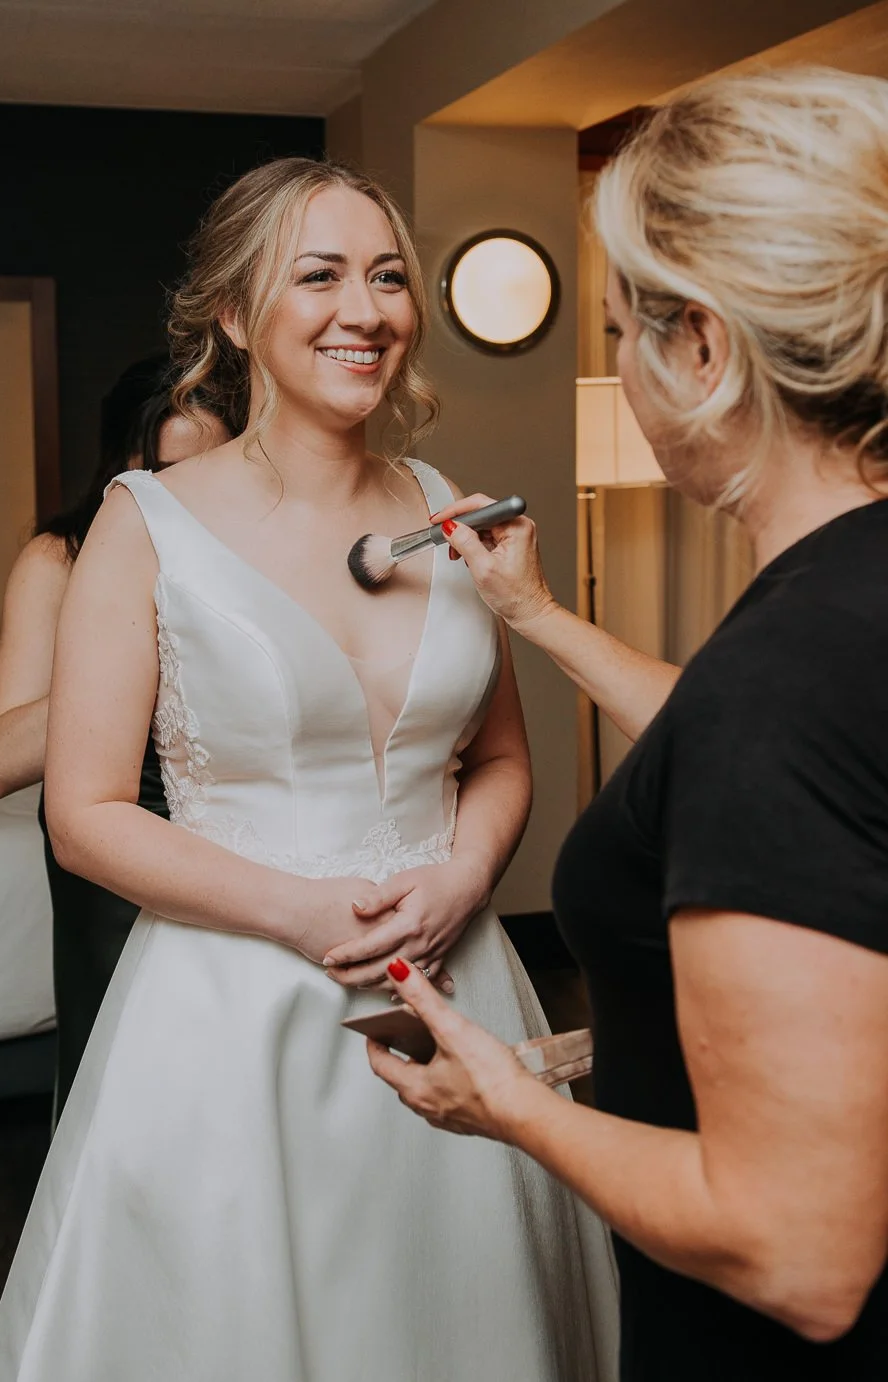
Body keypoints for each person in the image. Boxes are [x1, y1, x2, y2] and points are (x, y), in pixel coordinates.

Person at [0, 158, 619, 1382]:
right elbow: (86, 811)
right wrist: (306, 910)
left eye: (386, 277)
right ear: (234, 314)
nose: (361, 310)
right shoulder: (143, 522)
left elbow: (498, 760)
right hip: (238, 1007)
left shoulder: (442, 506)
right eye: (316, 275)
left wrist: (465, 873)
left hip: (455, 979)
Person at [367, 67, 888, 1380]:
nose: (617, 363)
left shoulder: (789, 673)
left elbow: (799, 1251)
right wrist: (535, 613)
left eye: (616, 327)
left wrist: (507, 1106)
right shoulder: (836, 623)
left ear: (703, 348)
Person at [0, 353, 234, 1118]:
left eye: (210, 472)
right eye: (163, 473)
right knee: (121, 1082)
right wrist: (126, 660)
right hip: (110, 857)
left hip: (227, 842)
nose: (186, 499)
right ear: (123, 466)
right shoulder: (62, 557)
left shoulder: (261, 557)